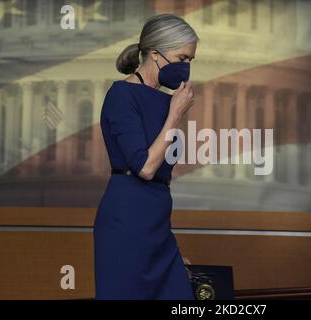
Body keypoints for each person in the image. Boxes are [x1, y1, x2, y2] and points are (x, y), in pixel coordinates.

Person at [93, 13, 198, 299]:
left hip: (158, 227)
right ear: (155, 54)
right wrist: (175, 114)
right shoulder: (121, 95)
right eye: (181, 58)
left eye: (191, 60)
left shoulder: (166, 101)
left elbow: (161, 180)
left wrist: (172, 248)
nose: (186, 67)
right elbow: (146, 167)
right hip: (126, 223)